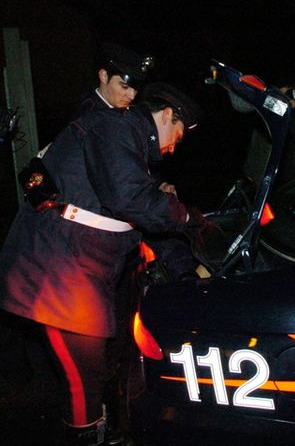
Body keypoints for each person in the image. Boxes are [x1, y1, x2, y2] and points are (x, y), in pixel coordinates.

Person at [0, 82, 208, 445]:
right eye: (178, 134)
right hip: (56, 267)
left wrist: (185, 270)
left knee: (97, 367)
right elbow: (131, 201)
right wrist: (188, 218)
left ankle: (104, 430)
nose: (174, 146)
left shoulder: (130, 146)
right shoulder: (115, 128)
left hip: (79, 269)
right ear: (167, 115)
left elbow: (140, 217)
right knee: (84, 376)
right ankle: (88, 436)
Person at [71, 42, 153, 120]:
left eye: (136, 89)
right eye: (124, 87)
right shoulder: (88, 117)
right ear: (104, 76)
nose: (132, 96)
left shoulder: (131, 111)